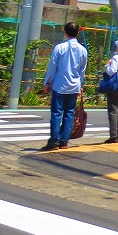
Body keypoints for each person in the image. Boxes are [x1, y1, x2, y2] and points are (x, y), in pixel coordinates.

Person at [41, 21, 87, 150]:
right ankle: (64, 140)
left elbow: (52, 67)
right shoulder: (83, 50)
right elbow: (82, 70)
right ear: (78, 33)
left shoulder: (59, 48)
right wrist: (81, 85)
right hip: (74, 85)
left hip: (59, 85)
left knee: (56, 113)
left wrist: (47, 83)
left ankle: (54, 141)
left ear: (65, 32)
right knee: (69, 113)